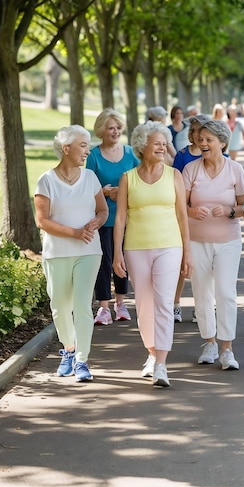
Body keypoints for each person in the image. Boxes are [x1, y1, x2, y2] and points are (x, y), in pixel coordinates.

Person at [113, 121, 193, 387]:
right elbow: (121, 218)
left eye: (164, 142)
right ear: (142, 145)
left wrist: (187, 254)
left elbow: (183, 217)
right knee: (144, 305)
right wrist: (117, 254)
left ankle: (161, 363)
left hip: (170, 247)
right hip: (136, 248)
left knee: (163, 303)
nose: (162, 147)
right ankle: (151, 353)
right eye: (157, 143)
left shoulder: (174, 176)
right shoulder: (128, 178)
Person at [34, 125, 108, 382]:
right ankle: (68, 349)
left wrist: (95, 223)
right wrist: (74, 233)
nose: (88, 151)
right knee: (60, 307)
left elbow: (102, 211)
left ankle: (82, 361)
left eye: (88, 145)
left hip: (89, 251)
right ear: (67, 149)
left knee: (82, 305)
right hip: (57, 253)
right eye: (83, 145)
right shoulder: (46, 180)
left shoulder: (90, 178)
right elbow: (42, 221)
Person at [182, 120, 244, 370]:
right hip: (197, 240)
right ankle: (209, 342)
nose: (203, 144)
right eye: (200, 140)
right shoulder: (191, 169)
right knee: (201, 293)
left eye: (209, 140)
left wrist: (232, 211)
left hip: (228, 241)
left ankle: (227, 348)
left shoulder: (235, 170)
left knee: (225, 293)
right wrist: (192, 211)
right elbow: (181, 206)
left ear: (222, 143)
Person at [86, 108, 139, 326]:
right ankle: (104, 308)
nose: (115, 131)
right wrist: (105, 192)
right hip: (103, 219)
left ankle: (121, 303)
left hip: (128, 219)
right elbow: (86, 186)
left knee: (123, 260)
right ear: (101, 131)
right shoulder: (93, 156)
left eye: (118, 127)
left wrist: (126, 192)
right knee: (104, 262)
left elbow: (141, 181)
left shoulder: (131, 154)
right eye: (110, 128)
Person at [172, 113, 211, 323]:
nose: (195, 135)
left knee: (204, 266)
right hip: (186, 216)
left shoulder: (216, 153)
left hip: (209, 219)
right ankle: (175, 304)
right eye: (193, 131)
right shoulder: (182, 155)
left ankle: (201, 306)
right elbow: (175, 188)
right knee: (182, 264)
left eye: (199, 131)